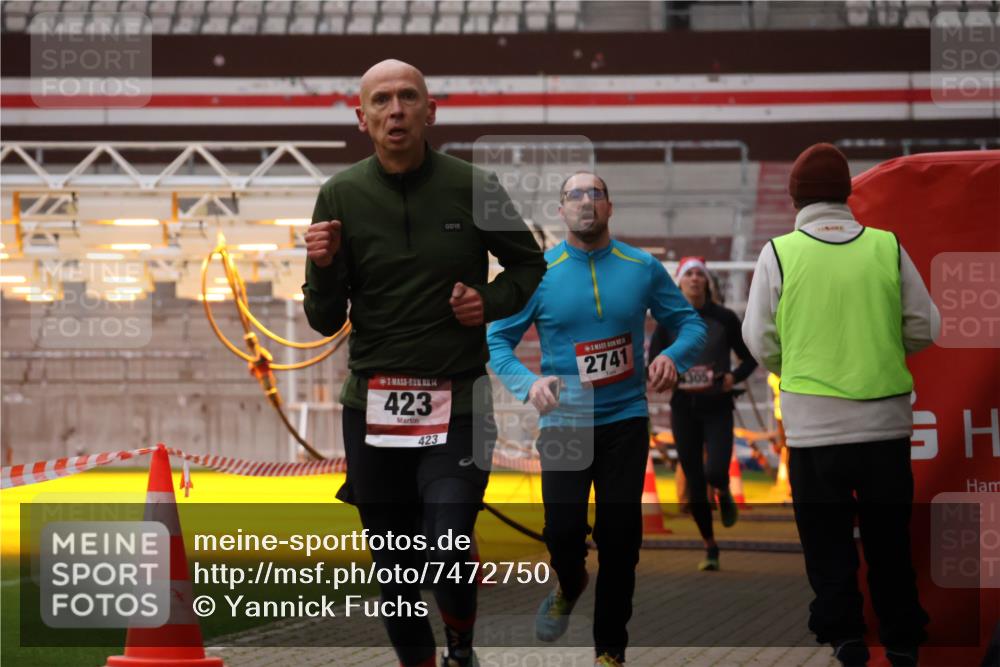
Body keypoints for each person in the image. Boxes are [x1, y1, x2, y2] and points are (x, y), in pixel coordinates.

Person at [302, 59, 546, 667]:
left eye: (408, 97)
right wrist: (323, 267)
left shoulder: (475, 186)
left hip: (458, 403)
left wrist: (488, 301)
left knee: (447, 543)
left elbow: (528, 265)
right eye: (381, 100)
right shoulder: (339, 195)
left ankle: (460, 645)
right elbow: (324, 320)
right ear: (362, 118)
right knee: (394, 571)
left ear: (430, 111)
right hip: (372, 410)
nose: (396, 110)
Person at [487, 171, 707, 667]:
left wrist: (673, 357)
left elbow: (691, 324)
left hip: (625, 421)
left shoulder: (641, 267)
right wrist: (528, 384)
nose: (586, 202)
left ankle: (610, 648)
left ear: (610, 206)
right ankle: (569, 584)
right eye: (575, 195)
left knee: (621, 539)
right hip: (564, 423)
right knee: (563, 533)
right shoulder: (539, 273)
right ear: (561, 210)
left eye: (595, 194)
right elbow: (497, 339)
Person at [742, 143, 937, 667]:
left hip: (813, 429)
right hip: (884, 425)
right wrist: (881, 346)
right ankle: (902, 637)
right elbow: (926, 326)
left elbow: (758, 339)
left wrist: (796, 366)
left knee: (826, 543)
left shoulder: (779, 252)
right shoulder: (886, 246)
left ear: (795, 199)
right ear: (847, 194)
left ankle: (845, 636)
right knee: (889, 541)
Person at [648, 256, 757, 571]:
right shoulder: (668, 321)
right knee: (694, 482)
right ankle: (710, 545)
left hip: (718, 406)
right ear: (680, 283)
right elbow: (653, 363)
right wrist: (666, 375)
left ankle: (722, 489)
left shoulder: (724, 318)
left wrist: (733, 377)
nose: (695, 279)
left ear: (707, 281)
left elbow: (749, 358)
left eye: (699, 274)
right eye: (689, 274)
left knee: (716, 471)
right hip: (684, 408)